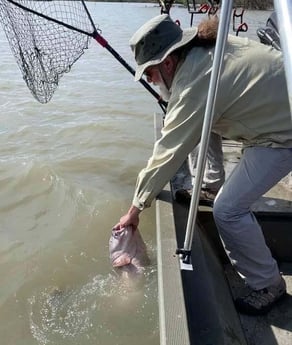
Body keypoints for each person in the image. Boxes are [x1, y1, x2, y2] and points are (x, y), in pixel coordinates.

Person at [116, 14, 292, 316]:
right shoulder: (204, 48)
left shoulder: (192, 85)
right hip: (272, 115)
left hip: (281, 135)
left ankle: (268, 285)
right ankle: (211, 184)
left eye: (151, 73)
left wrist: (135, 209)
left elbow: (167, 153)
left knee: (228, 210)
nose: (151, 81)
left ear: (168, 62)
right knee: (206, 122)